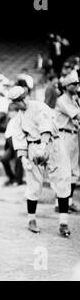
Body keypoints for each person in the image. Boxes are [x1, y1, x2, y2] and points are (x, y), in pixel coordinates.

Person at [8, 85, 71, 237]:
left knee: (61, 179)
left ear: (26, 97)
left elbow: (46, 126)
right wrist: (23, 159)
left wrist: (43, 146)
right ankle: (31, 220)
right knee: (33, 183)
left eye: (21, 99)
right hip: (32, 146)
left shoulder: (39, 106)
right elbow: (19, 138)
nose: (19, 103)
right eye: (16, 101)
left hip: (52, 143)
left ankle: (63, 223)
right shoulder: (18, 118)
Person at [54, 70, 80, 213]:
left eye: (77, 83)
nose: (77, 86)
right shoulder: (62, 99)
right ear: (66, 86)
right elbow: (77, 115)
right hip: (63, 136)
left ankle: (68, 202)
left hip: (73, 135)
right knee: (63, 170)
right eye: (74, 84)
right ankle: (59, 203)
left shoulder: (74, 99)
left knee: (74, 171)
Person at [1, 103, 24, 186]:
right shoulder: (11, 120)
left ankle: (18, 180)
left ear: (15, 112)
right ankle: (11, 178)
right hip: (10, 144)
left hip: (17, 143)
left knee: (18, 160)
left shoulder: (19, 119)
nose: (9, 113)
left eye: (11, 111)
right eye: (9, 111)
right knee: (4, 159)